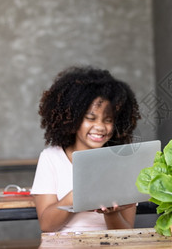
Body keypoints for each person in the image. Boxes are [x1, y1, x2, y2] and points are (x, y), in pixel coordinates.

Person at [31, 65, 141, 232]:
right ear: (71, 119)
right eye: (90, 118)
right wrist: (76, 197)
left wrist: (111, 215)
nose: (100, 127)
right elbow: (46, 226)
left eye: (108, 120)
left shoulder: (122, 161)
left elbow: (126, 232)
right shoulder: (51, 158)